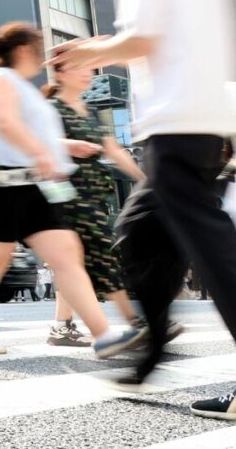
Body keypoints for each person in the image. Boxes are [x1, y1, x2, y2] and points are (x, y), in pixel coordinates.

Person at [53, 0, 236, 415]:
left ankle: (153, 351)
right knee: (140, 236)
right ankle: (152, 352)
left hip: (176, 126)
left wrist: (87, 50)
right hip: (206, 124)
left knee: (212, 253)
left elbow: (143, 40)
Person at [0, 21, 142, 356]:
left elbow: (36, 129)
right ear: (23, 51)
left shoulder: (26, 87)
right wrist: (41, 152)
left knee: (67, 252)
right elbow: (4, 121)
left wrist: (90, 48)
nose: (41, 57)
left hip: (35, 183)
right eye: (37, 49)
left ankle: (102, 335)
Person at [42, 62, 158, 347]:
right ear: (60, 73)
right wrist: (69, 145)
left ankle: (61, 326)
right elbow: (35, 140)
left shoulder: (90, 111)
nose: (87, 74)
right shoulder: (51, 109)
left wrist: (145, 180)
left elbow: (113, 150)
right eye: (80, 68)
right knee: (101, 255)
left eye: (90, 71)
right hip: (69, 194)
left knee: (73, 262)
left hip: (94, 195)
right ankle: (135, 322)